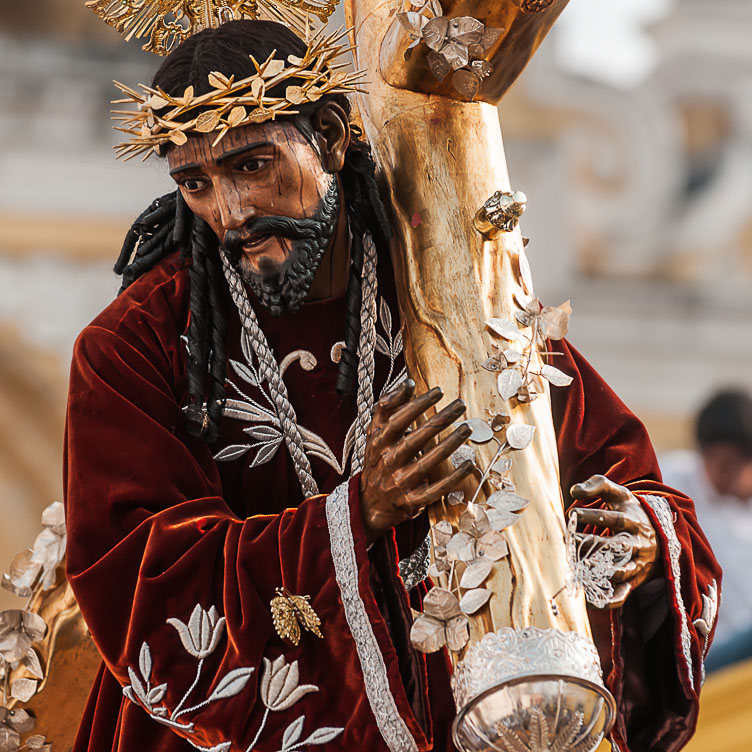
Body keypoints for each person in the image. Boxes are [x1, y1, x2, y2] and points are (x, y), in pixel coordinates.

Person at [64, 19, 721, 752]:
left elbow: (632, 487)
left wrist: (642, 543)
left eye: (253, 166)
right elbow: (141, 586)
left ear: (332, 134)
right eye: (195, 183)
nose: (231, 213)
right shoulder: (137, 345)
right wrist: (354, 516)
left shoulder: (462, 292)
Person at [662, 389, 752, 671]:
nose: (720, 474)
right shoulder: (675, 483)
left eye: (732, 466)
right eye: (717, 462)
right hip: (702, 655)